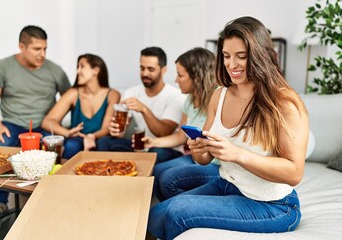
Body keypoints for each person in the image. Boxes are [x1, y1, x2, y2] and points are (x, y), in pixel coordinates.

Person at [147, 16, 309, 240]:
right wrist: (199, 149)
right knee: (154, 215)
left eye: (241, 56)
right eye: (226, 56)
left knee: (179, 211)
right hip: (227, 185)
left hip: (274, 205)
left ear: (260, 56)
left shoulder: (284, 103)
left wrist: (237, 155)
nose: (232, 64)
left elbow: (294, 172)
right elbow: (202, 160)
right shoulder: (219, 96)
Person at [0, 25, 71, 233]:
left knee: (62, 149)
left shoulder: (55, 70)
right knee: (1, 145)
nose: (42, 54)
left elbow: (71, 99)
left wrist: (66, 126)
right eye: (37, 49)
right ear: (21, 46)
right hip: (13, 124)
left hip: (44, 125)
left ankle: (54, 202)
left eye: (45, 49)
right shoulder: (2, 67)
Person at [143, 47, 220, 201]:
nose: (176, 80)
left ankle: (187, 205)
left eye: (180, 75)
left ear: (197, 77)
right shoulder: (189, 101)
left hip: (217, 165)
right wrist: (152, 142)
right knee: (157, 170)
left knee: (169, 179)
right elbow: (181, 136)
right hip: (195, 158)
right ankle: (170, 207)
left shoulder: (218, 99)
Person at [96, 47, 185, 163]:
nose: (145, 73)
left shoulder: (176, 96)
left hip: (166, 149)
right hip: (141, 147)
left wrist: (143, 109)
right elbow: (121, 129)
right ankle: (110, 178)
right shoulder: (131, 93)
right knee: (104, 142)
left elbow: (163, 132)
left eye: (151, 69)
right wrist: (117, 130)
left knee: (155, 153)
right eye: (142, 68)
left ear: (163, 70)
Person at [41, 53, 120, 160]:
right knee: (72, 145)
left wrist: (91, 137)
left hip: (102, 138)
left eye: (82, 66)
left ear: (96, 70)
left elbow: (106, 128)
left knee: (103, 144)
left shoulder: (113, 94)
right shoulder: (73, 93)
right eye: (77, 67)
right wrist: (67, 132)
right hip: (78, 139)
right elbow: (48, 121)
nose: (78, 71)